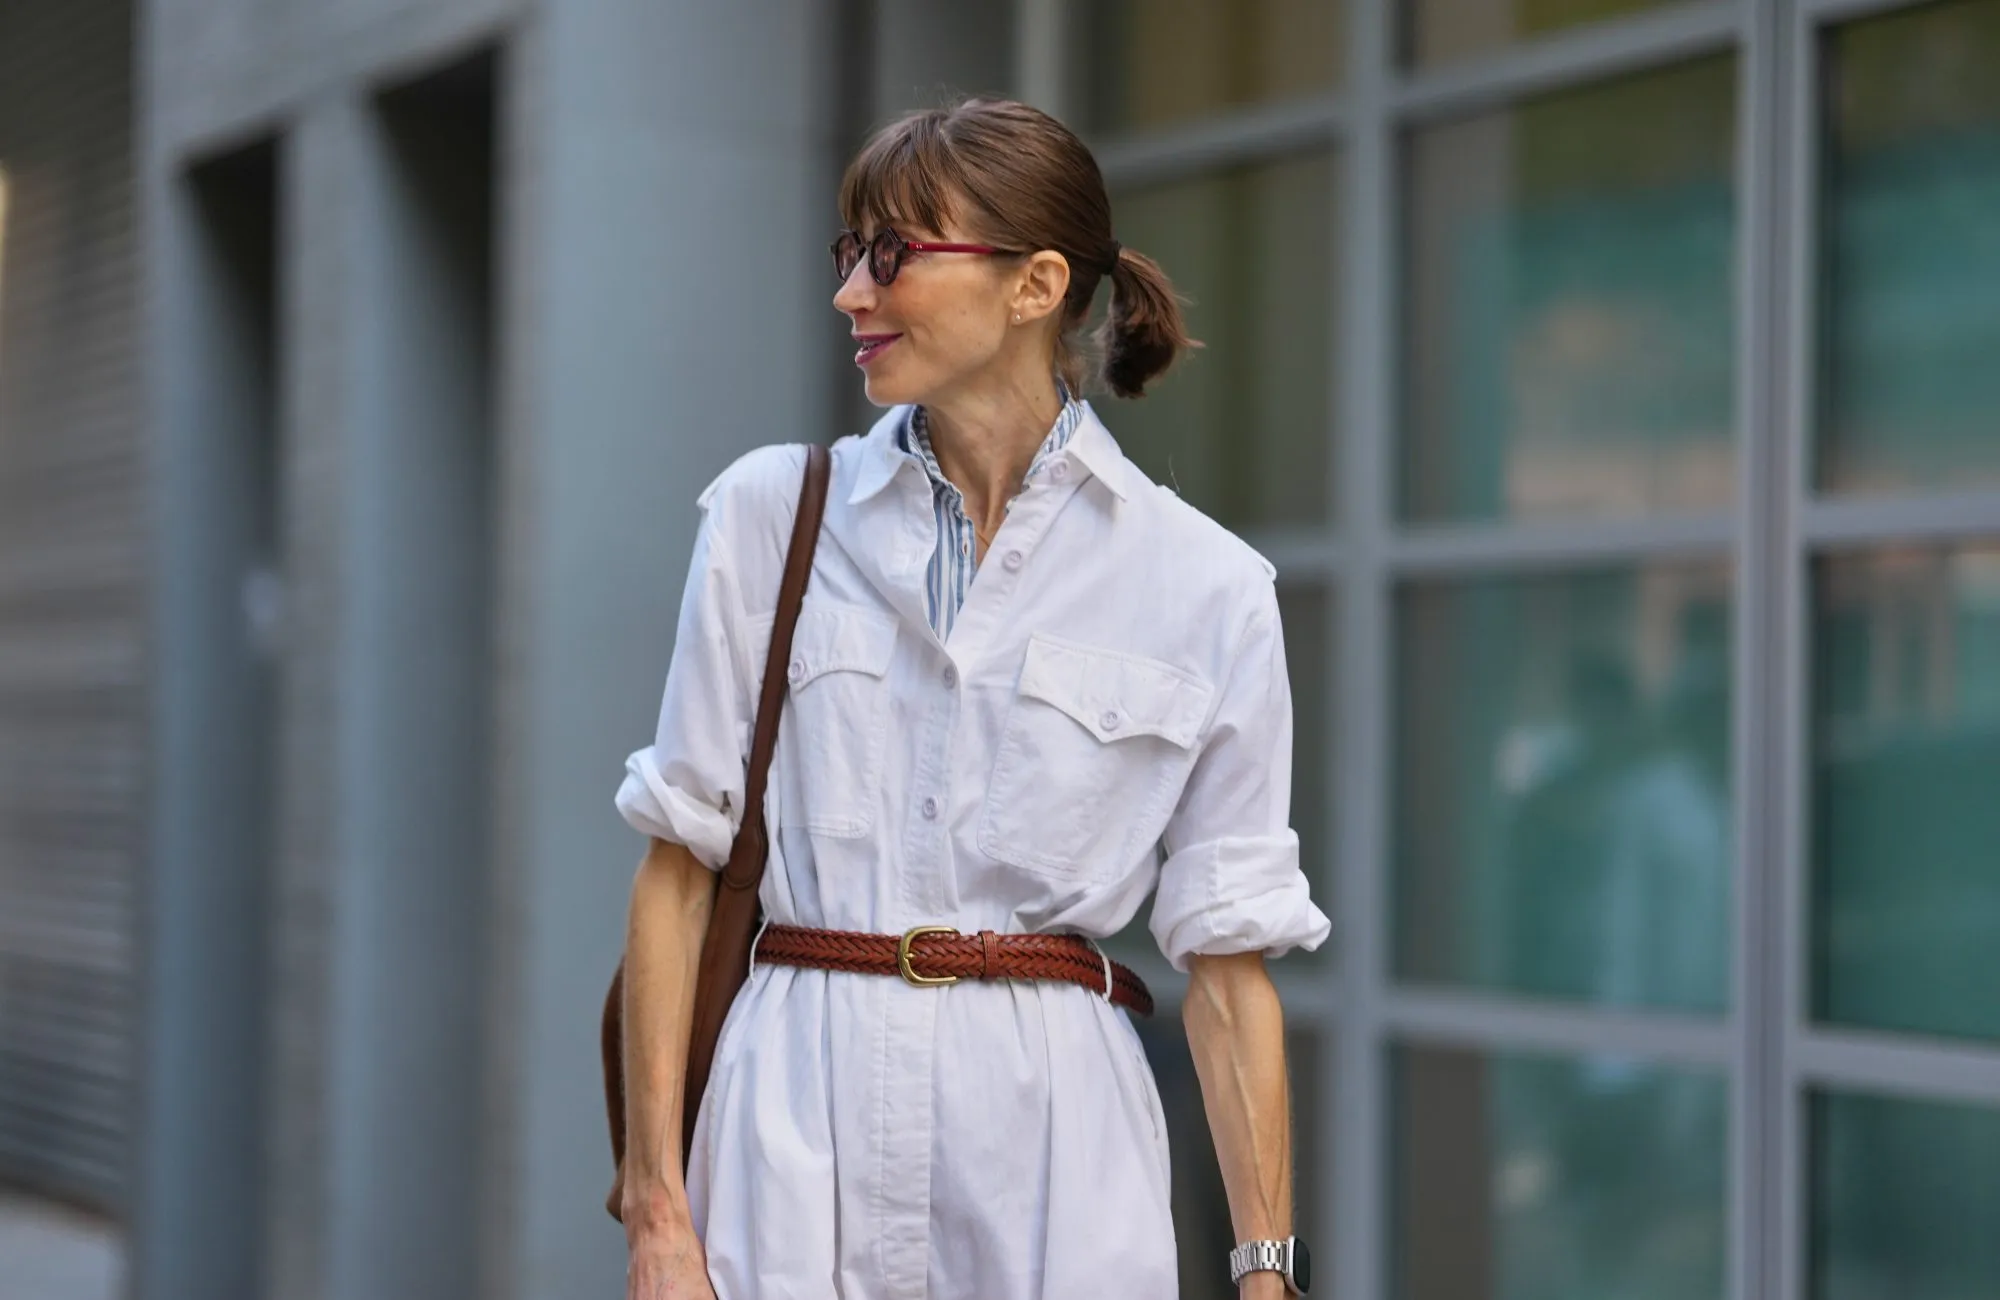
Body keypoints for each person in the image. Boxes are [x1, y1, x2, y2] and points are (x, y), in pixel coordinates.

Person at [613, 97, 1331, 1300]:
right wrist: (657, 1217)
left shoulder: (1205, 587)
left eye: (893, 254)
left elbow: (1228, 971)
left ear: (1034, 282)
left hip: (1055, 1159)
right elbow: (675, 878)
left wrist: (1266, 1276)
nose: (853, 292)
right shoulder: (768, 517)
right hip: (790, 1133)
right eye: (849, 253)